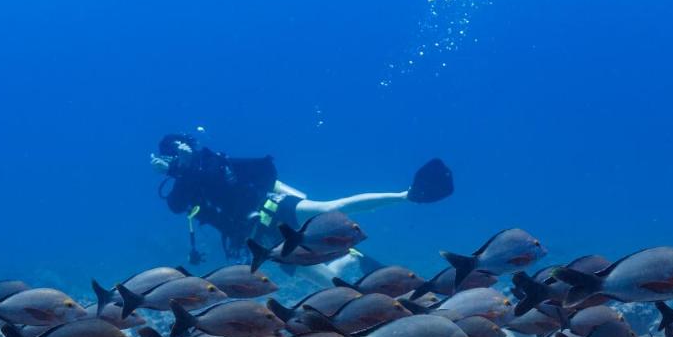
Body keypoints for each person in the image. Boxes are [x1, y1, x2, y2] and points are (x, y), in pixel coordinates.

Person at [151, 134, 453, 267]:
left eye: (181, 148)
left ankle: (405, 195)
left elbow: (216, 179)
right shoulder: (183, 184)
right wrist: (176, 173)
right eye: (173, 153)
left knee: (328, 208)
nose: (180, 155)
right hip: (252, 235)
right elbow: (177, 206)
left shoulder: (211, 160)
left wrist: (180, 168)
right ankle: (356, 275)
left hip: (271, 205)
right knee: (312, 272)